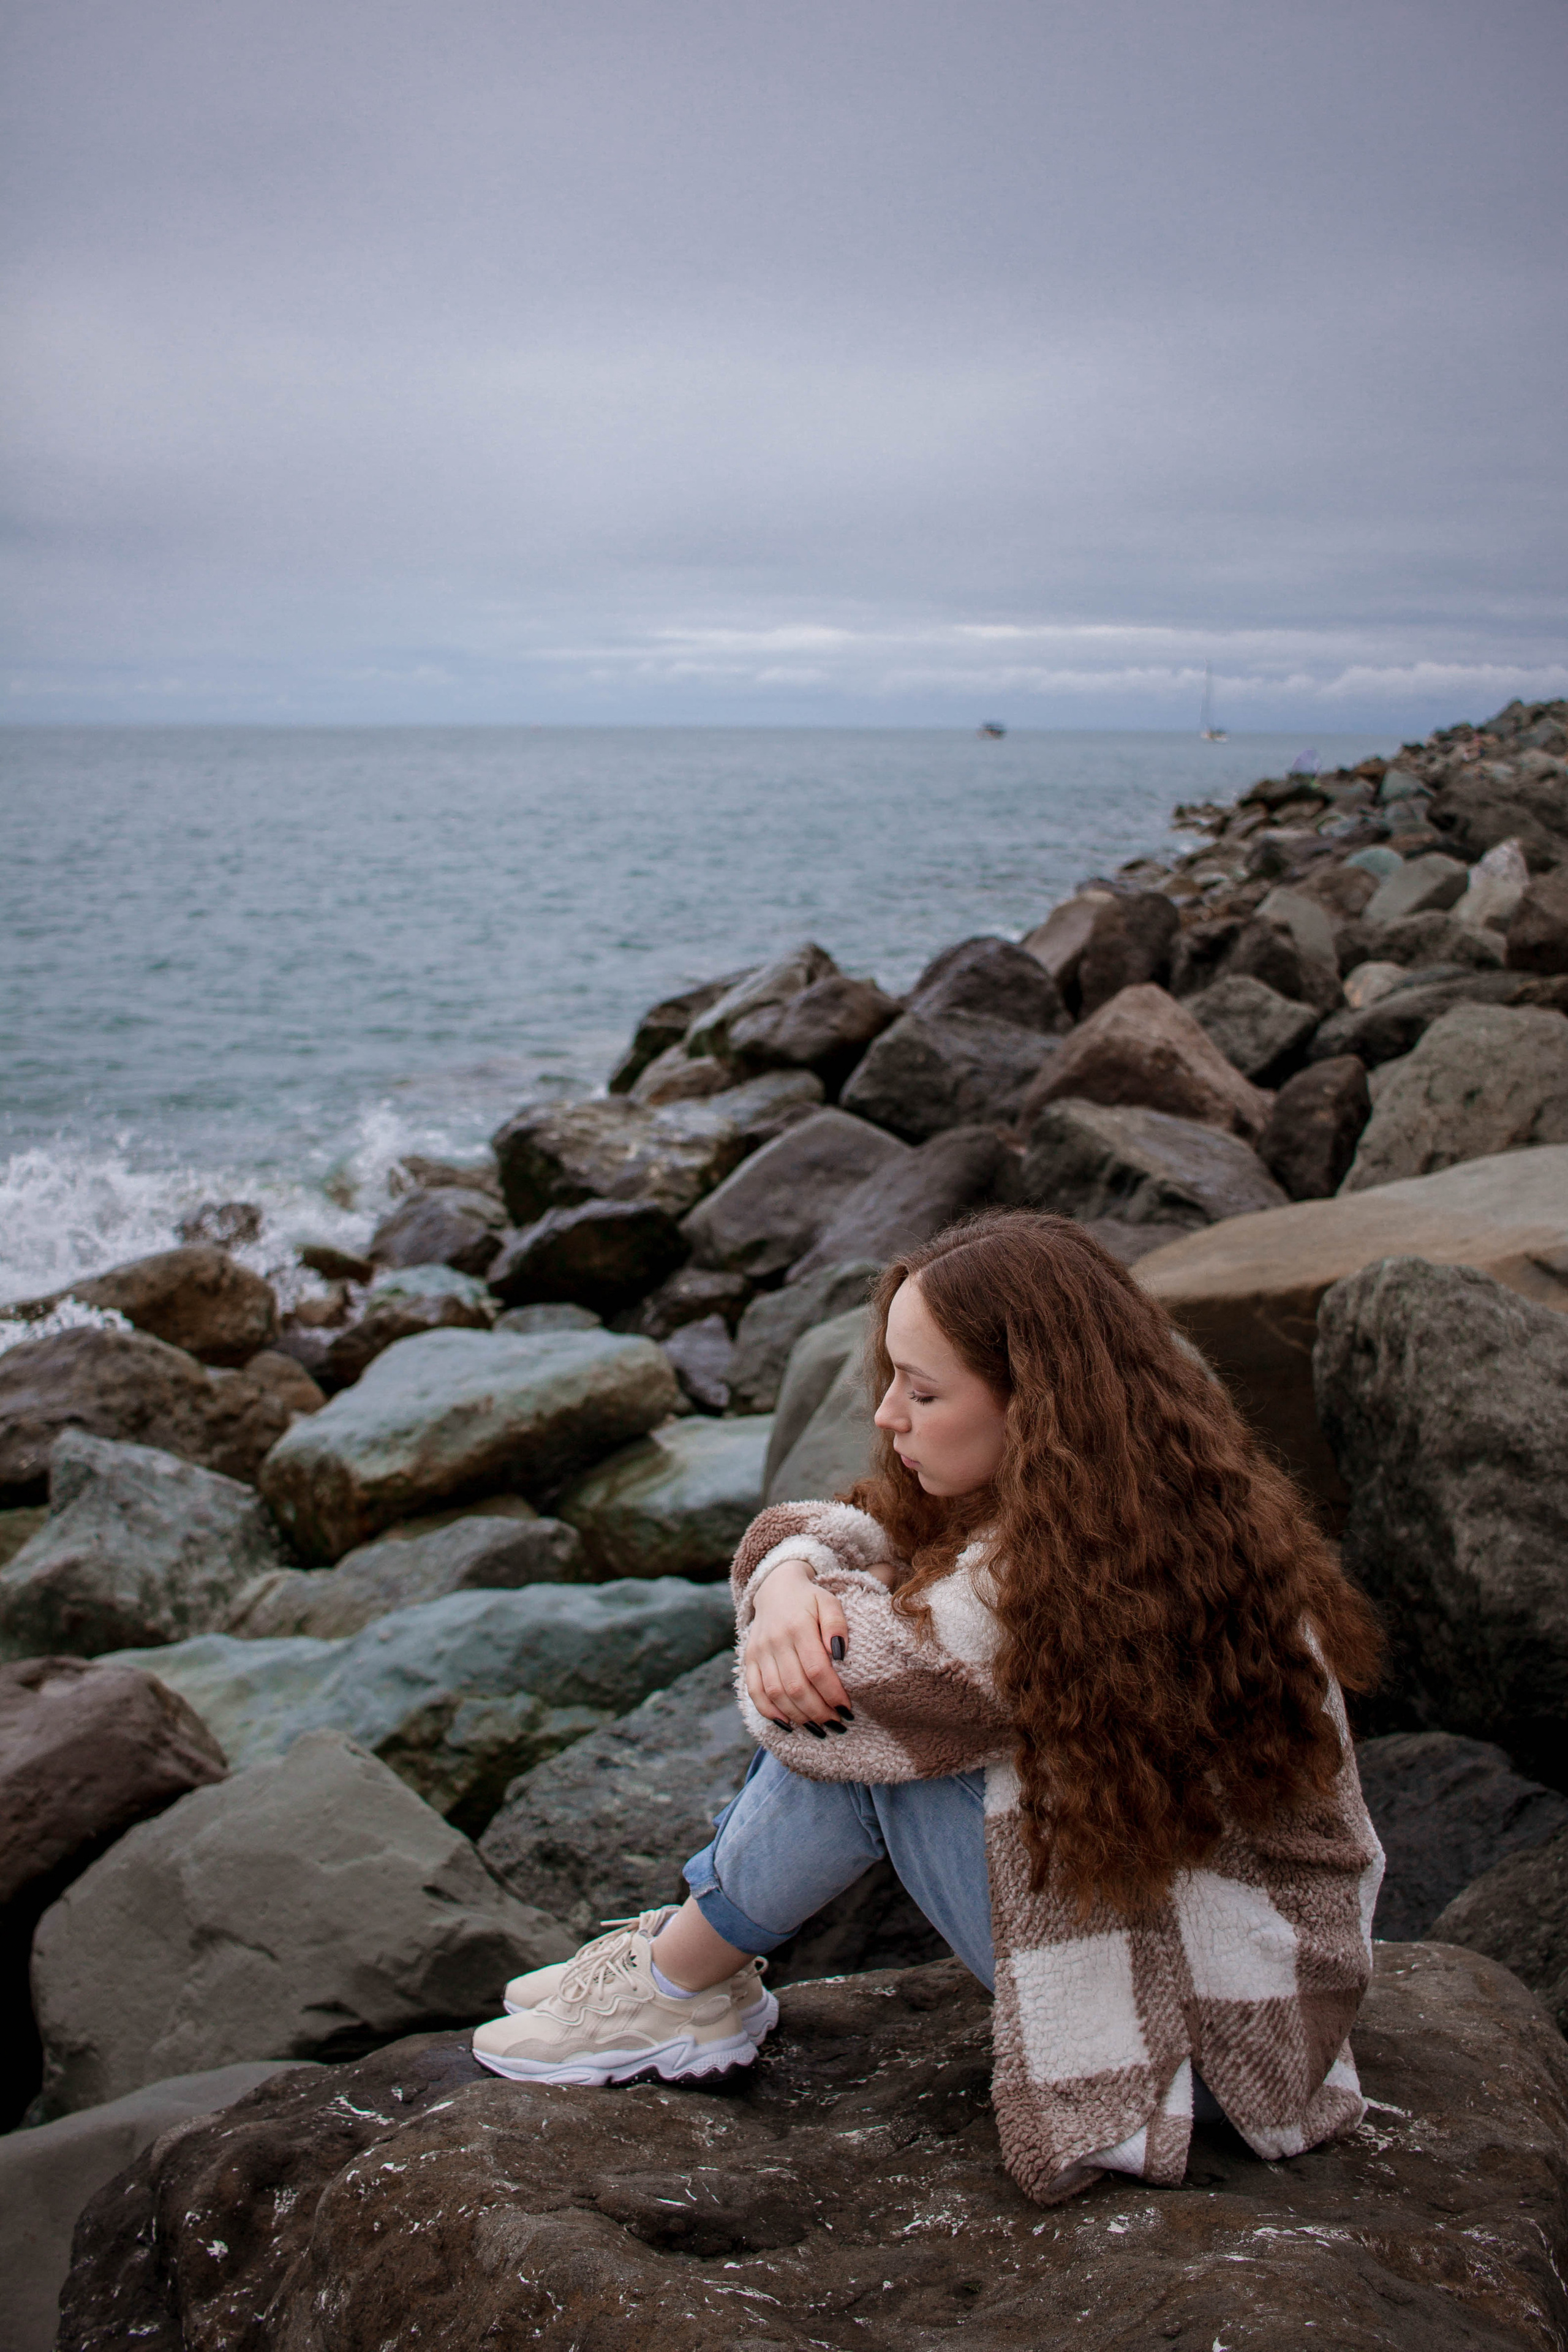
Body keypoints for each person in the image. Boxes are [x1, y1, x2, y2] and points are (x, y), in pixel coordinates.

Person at [473, 1210, 1385, 2204]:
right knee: (859, 1678)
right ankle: (690, 1965)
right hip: (1258, 2000)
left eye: (924, 1389)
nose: (887, 1416)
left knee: (853, 1736)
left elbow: (827, 1690)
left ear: (1032, 1404)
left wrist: (789, 1598)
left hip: (1206, 2048)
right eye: (893, 1379)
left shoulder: (1046, 1590)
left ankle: (679, 1985)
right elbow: (856, 1528)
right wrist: (787, 1584)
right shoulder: (1150, 1510)